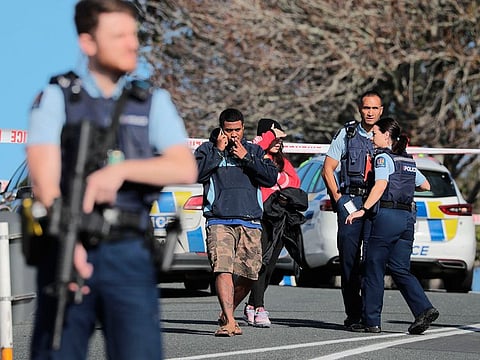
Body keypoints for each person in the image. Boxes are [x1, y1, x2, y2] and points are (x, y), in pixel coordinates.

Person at [26, 1, 197, 359]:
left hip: (129, 250)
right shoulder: (56, 97)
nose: (132, 44)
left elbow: (182, 167)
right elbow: (44, 180)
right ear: (88, 43)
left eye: (133, 34)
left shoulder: (152, 101)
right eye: (118, 35)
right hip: (68, 247)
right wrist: (67, 241)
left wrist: (121, 171)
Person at [345, 117, 439, 333]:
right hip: (406, 219)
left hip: (386, 216)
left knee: (373, 268)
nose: (372, 137)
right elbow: (425, 185)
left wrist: (363, 209)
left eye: (375, 133)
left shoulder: (383, 158)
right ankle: (424, 308)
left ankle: (371, 321)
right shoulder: (407, 160)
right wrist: (403, 190)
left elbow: (380, 185)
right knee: (400, 269)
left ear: (386, 135)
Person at [195, 108, 278, 337]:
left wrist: (247, 158)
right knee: (222, 269)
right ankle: (230, 321)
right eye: (229, 130)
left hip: (250, 221)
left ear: (244, 129)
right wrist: (217, 153)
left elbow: (270, 177)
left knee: (251, 274)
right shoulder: (207, 150)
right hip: (219, 220)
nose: (233, 135)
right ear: (221, 129)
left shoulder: (254, 151)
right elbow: (195, 174)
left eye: (237, 130)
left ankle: (227, 311)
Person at [321, 90, 383, 329]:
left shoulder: (387, 135)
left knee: (372, 262)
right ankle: (354, 315)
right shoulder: (347, 134)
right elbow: (328, 169)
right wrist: (338, 199)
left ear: (381, 111)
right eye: (366, 108)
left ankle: (370, 317)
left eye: (374, 108)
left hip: (376, 204)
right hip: (351, 201)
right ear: (360, 109)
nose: (370, 112)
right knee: (349, 261)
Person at [243, 118, 301, 327]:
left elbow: (295, 182)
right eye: (273, 136)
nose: (278, 141)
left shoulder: (283, 161)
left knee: (269, 267)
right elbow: (252, 151)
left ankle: (251, 305)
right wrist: (268, 137)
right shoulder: (254, 154)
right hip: (259, 218)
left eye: (280, 137)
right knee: (260, 263)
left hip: (280, 219)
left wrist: (280, 179)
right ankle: (259, 308)